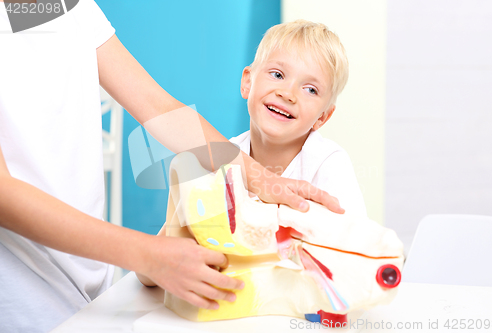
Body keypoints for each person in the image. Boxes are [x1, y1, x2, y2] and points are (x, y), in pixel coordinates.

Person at [0, 1, 343, 332]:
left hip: (91, 287)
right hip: (25, 300)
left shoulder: (67, 7)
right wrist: (148, 255)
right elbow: (4, 195)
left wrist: (260, 178)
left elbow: (156, 106)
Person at [230, 19, 367, 216]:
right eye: (277, 75)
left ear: (322, 117)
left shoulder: (328, 164)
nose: (288, 94)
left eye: (310, 89)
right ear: (247, 82)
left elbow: (354, 237)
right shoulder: (223, 158)